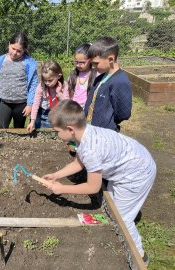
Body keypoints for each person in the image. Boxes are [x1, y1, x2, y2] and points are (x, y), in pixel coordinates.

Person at [43, 100, 155, 265]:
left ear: (70, 129)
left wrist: (62, 188)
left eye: (57, 131)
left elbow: (93, 187)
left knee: (122, 219)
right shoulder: (85, 133)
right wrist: (56, 175)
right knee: (114, 207)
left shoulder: (91, 149)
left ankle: (139, 257)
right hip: (130, 163)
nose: (57, 135)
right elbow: (78, 163)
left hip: (136, 174)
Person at [0, 32, 38, 129]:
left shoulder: (29, 63)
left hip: (21, 105)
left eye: (19, 51)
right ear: (9, 45)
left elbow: (33, 85)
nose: (15, 53)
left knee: (18, 131)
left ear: (24, 50)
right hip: (4, 103)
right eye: (13, 48)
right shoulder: (0, 61)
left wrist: (30, 104)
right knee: (0, 129)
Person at [84, 37, 132, 132]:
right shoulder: (100, 78)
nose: (93, 67)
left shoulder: (120, 81)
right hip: (92, 132)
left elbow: (123, 113)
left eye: (96, 63)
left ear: (110, 59)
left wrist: (108, 121)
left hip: (105, 135)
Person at [27, 60, 68, 132]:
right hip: (42, 113)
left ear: (58, 76)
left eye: (50, 80)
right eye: (45, 80)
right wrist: (32, 121)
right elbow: (35, 104)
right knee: (40, 132)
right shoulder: (41, 86)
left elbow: (67, 103)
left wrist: (59, 93)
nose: (47, 83)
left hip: (57, 113)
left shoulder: (65, 86)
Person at [67, 43, 97, 109]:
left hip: (87, 109)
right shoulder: (73, 75)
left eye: (82, 62)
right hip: (73, 108)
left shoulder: (95, 75)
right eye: (76, 62)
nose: (78, 65)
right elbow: (68, 92)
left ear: (90, 60)